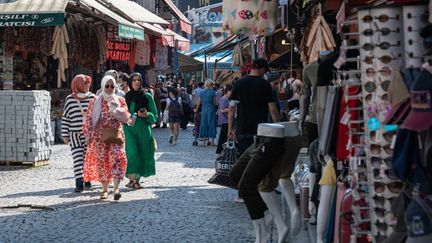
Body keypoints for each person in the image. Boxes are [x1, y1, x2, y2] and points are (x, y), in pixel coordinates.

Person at [227, 58, 280, 219]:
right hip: (261, 131)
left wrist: (230, 128)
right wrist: (278, 128)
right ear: (263, 69)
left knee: (244, 161)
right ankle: (260, 190)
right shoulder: (264, 85)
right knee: (261, 161)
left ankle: (242, 193)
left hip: (243, 129)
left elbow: (231, 108)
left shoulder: (239, 83)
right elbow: (272, 109)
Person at [83, 75, 130, 200]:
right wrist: (88, 134)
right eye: (107, 86)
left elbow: (126, 118)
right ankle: (104, 190)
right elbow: (88, 118)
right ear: (103, 86)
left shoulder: (120, 100)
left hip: (115, 135)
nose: (109, 89)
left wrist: (117, 111)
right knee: (102, 162)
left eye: (112, 86)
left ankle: (116, 189)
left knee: (117, 157)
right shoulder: (95, 101)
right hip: (99, 137)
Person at [62, 74, 96, 193]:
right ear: (79, 84)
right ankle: (79, 183)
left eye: (88, 83)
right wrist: (65, 135)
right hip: (74, 135)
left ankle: (87, 180)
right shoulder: (70, 99)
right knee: (77, 159)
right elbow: (66, 118)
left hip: (89, 135)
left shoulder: (93, 98)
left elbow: (96, 117)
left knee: (87, 159)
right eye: (85, 83)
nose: (88, 85)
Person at [124, 73, 158, 189]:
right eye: (134, 80)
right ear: (130, 82)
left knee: (142, 153)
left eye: (139, 80)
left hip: (143, 129)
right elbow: (123, 114)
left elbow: (155, 115)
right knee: (132, 153)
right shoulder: (126, 97)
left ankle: (136, 180)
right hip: (129, 129)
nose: (136, 82)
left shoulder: (147, 96)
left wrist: (146, 114)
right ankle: (132, 178)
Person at [198, 80, 217, 146]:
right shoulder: (213, 92)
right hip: (211, 109)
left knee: (204, 123)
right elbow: (215, 103)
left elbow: (199, 102)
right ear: (210, 85)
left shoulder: (201, 92)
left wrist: (197, 110)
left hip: (204, 109)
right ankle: (212, 142)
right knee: (211, 123)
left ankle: (204, 142)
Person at [215, 84, 232, 154]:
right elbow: (222, 110)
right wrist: (231, 109)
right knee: (224, 136)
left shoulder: (227, 99)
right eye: (231, 92)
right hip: (224, 120)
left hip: (226, 119)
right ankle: (220, 150)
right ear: (227, 91)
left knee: (224, 136)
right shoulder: (224, 99)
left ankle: (221, 150)